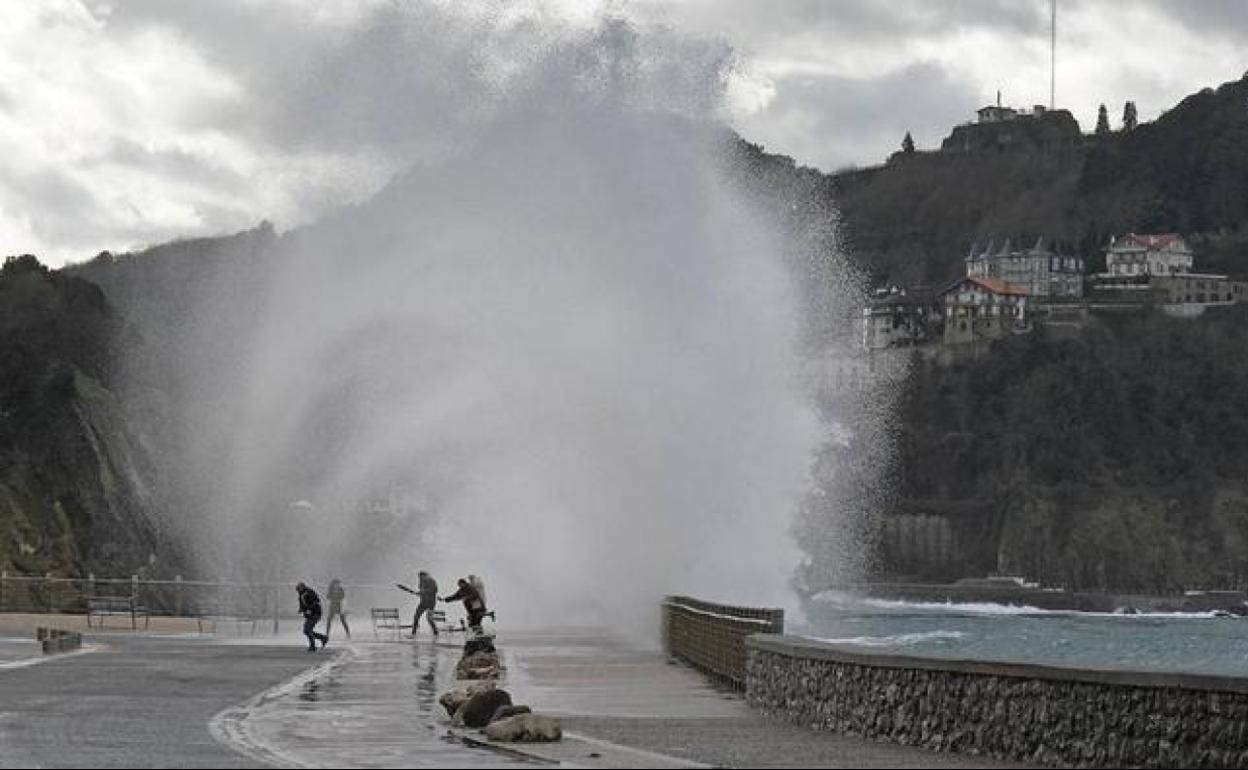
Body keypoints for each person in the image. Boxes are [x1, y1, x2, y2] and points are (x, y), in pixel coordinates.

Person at [296, 582, 329, 652]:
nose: (299, 590)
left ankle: (313, 646)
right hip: (309, 614)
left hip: (315, 613)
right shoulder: (300, 595)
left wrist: (310, 609)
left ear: (303, 587)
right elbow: (303, 605)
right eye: (298, 589)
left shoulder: (309, 592)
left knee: (307, 630)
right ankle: (323, 638)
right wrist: (301, 610)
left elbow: (316, 601)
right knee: (306, 630)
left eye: (299, 588)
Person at [411, 570, 439, 638]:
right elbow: (422, 591)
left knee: (429, 618)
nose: (420, 578)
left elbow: (434, 590)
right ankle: (413, 633)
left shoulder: (431, 580)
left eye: (420, 576)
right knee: (416, 616)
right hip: (423, 603)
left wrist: (423, 592)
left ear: (424, 575)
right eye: (419, 577)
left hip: (431, 603)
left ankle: (435, 632)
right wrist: (419, 593)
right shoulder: (421, 582)